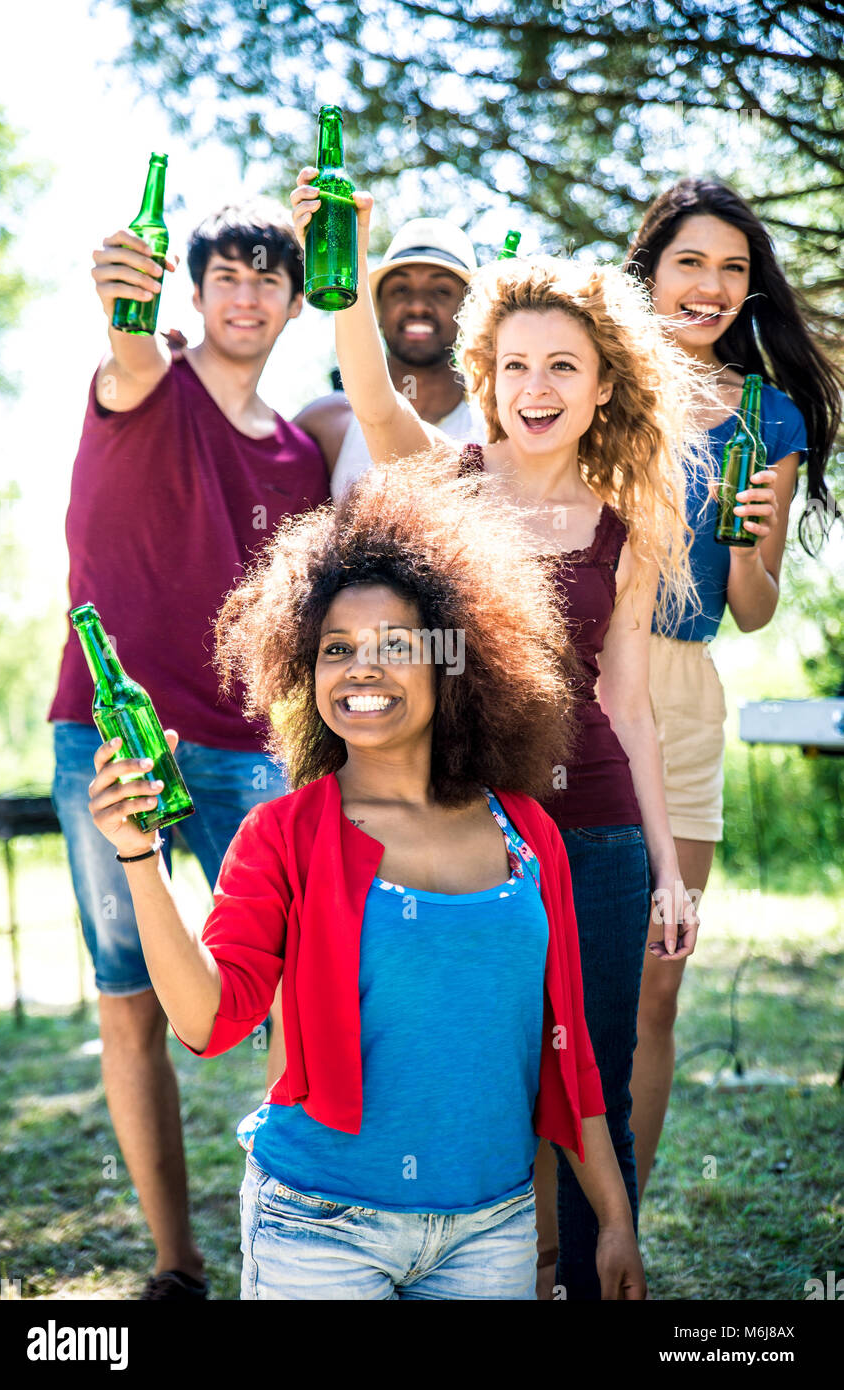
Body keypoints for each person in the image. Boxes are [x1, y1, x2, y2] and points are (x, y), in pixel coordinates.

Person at [84, 452, 647, 1301]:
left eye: (394, 646)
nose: (361, 669)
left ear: (454, 664)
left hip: (491, 1228)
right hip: (319, 1230)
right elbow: (208, 1021)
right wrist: (139, 858)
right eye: (336, 648)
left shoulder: (526, 831)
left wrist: (610, 1219)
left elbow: (567, 1047)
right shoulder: (281, 834)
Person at [290, 172, 711, 1299]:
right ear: (487, 377)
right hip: (482, 841)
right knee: (489, 1080)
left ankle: (595, 1273)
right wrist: (350, 267)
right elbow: (375, 401)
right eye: (515, 364)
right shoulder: (451, 482)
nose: (536, 387)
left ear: (601, 384)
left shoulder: (627, 525)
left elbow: (629, 704)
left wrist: (671, 872)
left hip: (605, 840)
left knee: (595, 1091)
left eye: (563, 366)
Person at [48, 197, 330, 1299]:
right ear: (196, 291)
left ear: (295, 298)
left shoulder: (303, 453)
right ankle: (177, 1263)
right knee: (130, 1000)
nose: (248, 294)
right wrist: (127, 285)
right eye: (227, 275)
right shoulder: (147, 382)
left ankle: (297, 1243)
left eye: (271, 275)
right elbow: (125, 337)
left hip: (252, 751)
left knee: (289, 995)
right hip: (108, 740)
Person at [622, 177, 843, 1202]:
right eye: (691, 262)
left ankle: (616, 1232)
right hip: (576, 688)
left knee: (653, 987)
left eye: (734, 269)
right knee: (548, 991)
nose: (711, 287)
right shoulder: (599, 380)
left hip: (684, 698)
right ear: (651, 270)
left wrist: (754, 542)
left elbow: (752, 608)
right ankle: (537, 1245)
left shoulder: (770, 415)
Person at [293, 217, 485, 491]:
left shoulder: (500, 431)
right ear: (377, 309)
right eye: (400, 289)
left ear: (469, 311)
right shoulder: (327, 425)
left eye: (441, 290)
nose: (418, 306)